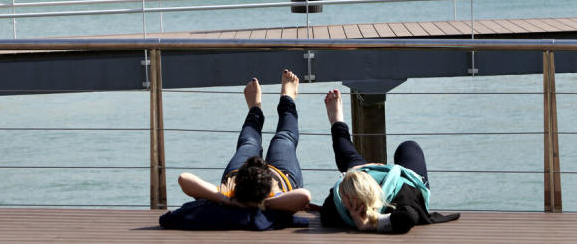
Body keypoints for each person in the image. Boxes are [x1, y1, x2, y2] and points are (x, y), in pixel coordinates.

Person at [320, 89, 459, 233]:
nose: (341, 198)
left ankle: (336, 122)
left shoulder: (334, 209)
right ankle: (338, 124)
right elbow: (407, 217)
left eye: (343, 196)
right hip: (397, 179)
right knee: (408, 146)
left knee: (347, 155)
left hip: (365, 172)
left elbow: (326, 212)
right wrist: (371, 223)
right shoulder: (400, 201)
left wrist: (366, 223)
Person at [177, 70, 311, 213]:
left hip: (239, 174)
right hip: (281, 175)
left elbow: (184, 178)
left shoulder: (229, 192)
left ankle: (255, 109)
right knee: (284, 138)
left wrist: (228, 200)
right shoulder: (277, 196)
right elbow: (304, 196)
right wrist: (263, 204)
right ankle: (287, 98)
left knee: (249, 142)